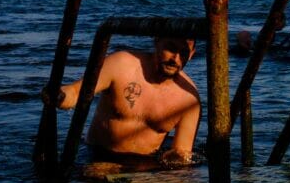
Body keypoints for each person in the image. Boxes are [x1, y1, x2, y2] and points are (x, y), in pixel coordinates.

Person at [47, 37, 201, 167]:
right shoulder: (121, 64)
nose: (176, 59)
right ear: (157, 41)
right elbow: (76, 92)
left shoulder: (189, 98)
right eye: (171, 48)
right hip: (96, 156)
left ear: (192, 54)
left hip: (143, 167)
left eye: (184, 53)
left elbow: (182, 153)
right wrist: (59, 96)